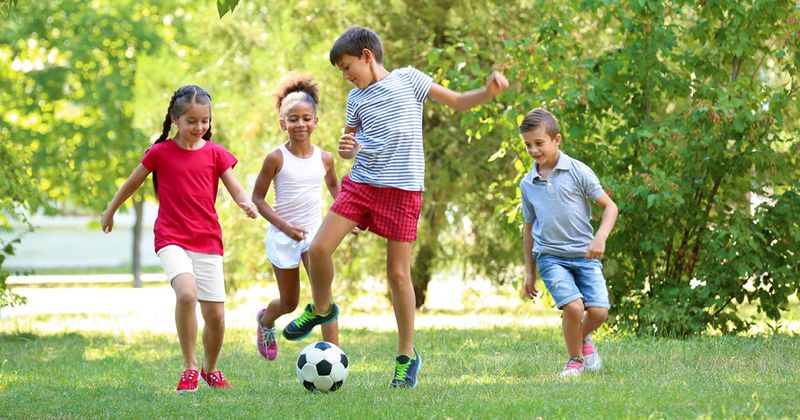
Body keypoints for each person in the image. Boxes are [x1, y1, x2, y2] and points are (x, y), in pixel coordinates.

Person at [281, 25, 509, 389]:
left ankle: (406, 357)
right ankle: (321, 309)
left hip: (403, 192)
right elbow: (353, 141)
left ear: (367, 56)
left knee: (398, 275)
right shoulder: (355, 99)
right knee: (319, 248)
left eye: (346, 66)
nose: (345, 76)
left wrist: (487, 92)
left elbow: (456, 101)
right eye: (340, 70)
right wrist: (347, 148)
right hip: (362, 184)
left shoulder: (409, 80)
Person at [100, 85, 258, 393]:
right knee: (186, 294)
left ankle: (209, 369)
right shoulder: (160, 153)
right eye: (191, 121)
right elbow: (131, 184)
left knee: (216, 317)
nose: (199, 128)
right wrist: (110, 210)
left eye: (205, 121)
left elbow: (235, 187)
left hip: (208, 239)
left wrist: (245, 203)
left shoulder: (216, 154)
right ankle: (188, 367)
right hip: (171, 237)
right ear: (175, 119)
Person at [518, 108, 619, 378]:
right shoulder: (527, 183)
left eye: (539, 143)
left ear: (556, 140)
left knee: (598, 312)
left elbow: (610, 207)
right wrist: (530, 271)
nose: (533, 150)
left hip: (585, 254)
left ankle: (582, 338)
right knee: (573, 307)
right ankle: (574, 359)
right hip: (550, 256)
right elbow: (529, 229)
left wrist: (600, 237)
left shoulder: (578, 171)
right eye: (528, 144)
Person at [251, 73, 341, 361]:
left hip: (315, 235)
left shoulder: (325, 158)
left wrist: (345, 217)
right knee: (290, 302)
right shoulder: (276, 158)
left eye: (306, 118)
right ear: (282, 123)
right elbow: (257, 199)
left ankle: (335, 355)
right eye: (293, 119)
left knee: (323, 296)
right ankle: (266, 321)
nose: (300, 124)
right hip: (283, 235)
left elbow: (335, 188)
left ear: (316, 121)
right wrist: (285, 226)